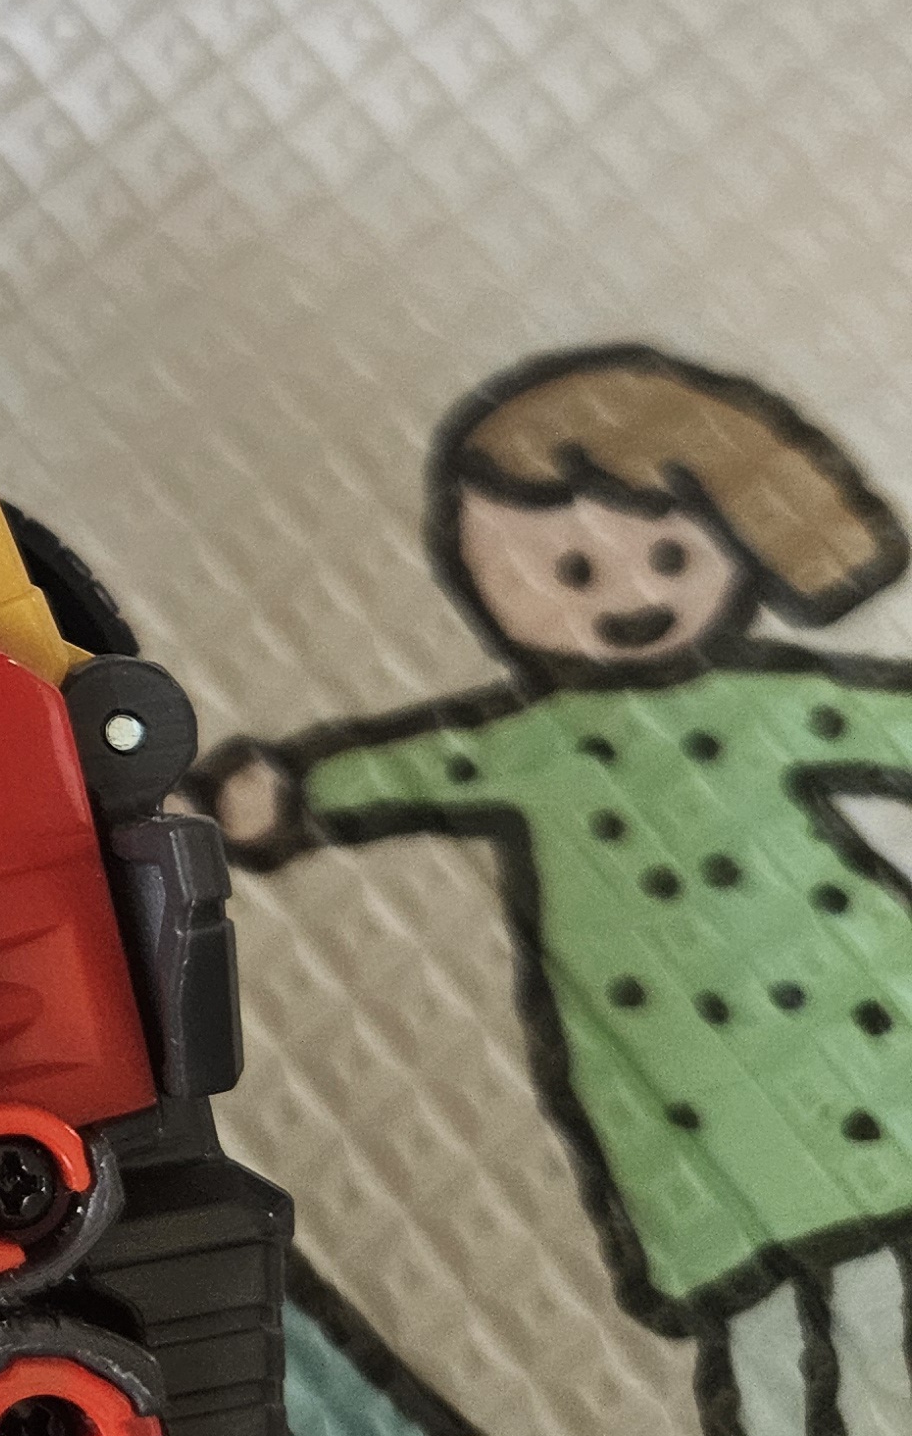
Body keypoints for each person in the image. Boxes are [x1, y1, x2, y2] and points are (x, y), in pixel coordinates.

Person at [200, 346, 912, 1436]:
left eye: (669, 556)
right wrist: (294, 793)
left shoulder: (760, 701)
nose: (630, 599)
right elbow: (424, 766)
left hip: (866, 1033)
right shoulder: (537, 744)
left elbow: (885, 723)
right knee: (760, 1321)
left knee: (879, 1301)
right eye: (573, 572)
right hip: (683, 1090)